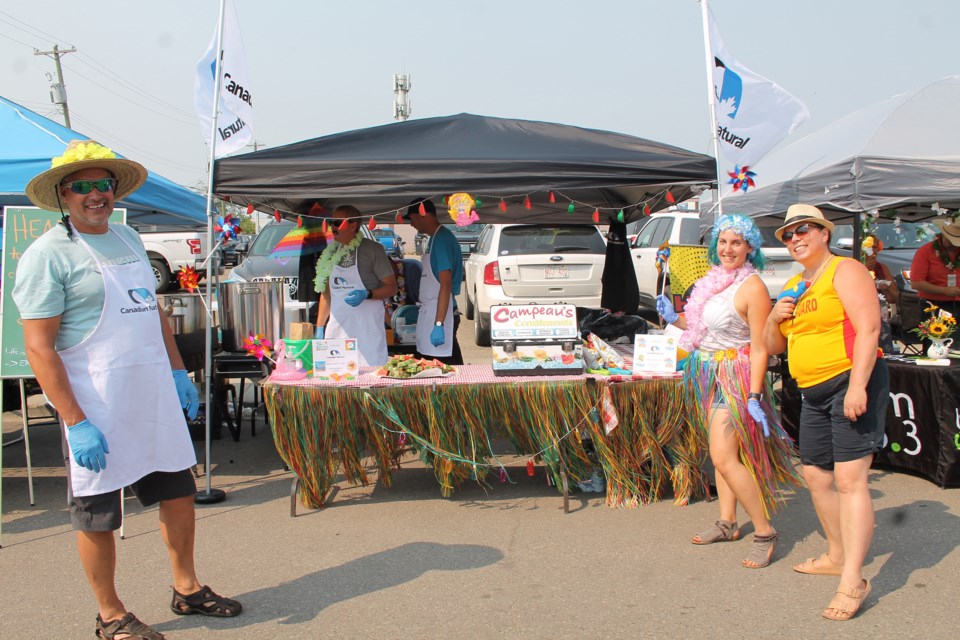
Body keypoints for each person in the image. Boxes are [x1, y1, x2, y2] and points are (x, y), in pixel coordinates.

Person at [14, 140, 241, 639]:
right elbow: (39, 349)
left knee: (179, 494)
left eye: (104, 185)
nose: (96, 195)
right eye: (83, 187)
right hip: (95, 404)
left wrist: (180, 372)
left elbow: (152, 311)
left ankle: (187, 588)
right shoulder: (46, 256)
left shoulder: (129, 237)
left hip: (152, 392)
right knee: (98, 513)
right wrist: (76, 422)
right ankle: (110, 614)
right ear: (63, 196)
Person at [763, 204, 888, 622]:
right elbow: (774, 346)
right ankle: (837, 553)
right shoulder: (796, 284)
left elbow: (869, 328)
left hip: (849, 379)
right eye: (787, 235)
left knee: (851, 481)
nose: (795, 239)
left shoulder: (845, 270)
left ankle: (853, 577)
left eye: (803, 231)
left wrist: (857, 387)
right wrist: (775, 317)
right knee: (816, 474)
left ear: (823, 234)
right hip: (811, 391)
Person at [656, 214, 799, 569]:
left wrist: (753, 395)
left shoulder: (752, 287)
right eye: (722, 241)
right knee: (721, 455)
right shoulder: (714, 281)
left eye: (736, 242)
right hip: (708, 371)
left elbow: (762, 345)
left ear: (750, 247)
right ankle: (728, 522)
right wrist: (675, 319)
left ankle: (764, 531)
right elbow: (704, 329)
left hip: (736, 378)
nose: (728, 248)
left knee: (722, 457)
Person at [313, 205, 398, 367]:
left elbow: (392, 287)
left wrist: (367, 294)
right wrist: (319, 328)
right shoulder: (329, 253)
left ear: (353, 226)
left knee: (371, 377)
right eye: (331, 222)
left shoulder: (373, 249)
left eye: (337, 223)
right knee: (336, 378)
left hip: (367, 329)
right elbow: (326, 295)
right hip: (338, 329)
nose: (333, 227)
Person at [403, 198, 464, 365]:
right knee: (432, 367)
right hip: (432, 310)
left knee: (448, 369)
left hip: (441, 313)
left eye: (413, 218)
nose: (412, 224)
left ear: (423, 215)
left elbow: (445, 284)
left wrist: (439, 323)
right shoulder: (433, 239)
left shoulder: (442, 239)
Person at [909, 217, 960, 317]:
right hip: (934, 305)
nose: (955, 244)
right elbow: (916, 283)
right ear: (943, 235)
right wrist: (943, 290)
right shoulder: (925, 251)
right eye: (952, 240)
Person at [862, 232, 898, 353]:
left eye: (875, 247)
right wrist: (865, 268)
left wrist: (885, 287)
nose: (872, 251)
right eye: (869, 247)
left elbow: (894, 297)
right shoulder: (853, 265)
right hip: (861, 318)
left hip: (881, 318)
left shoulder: (882, 268)